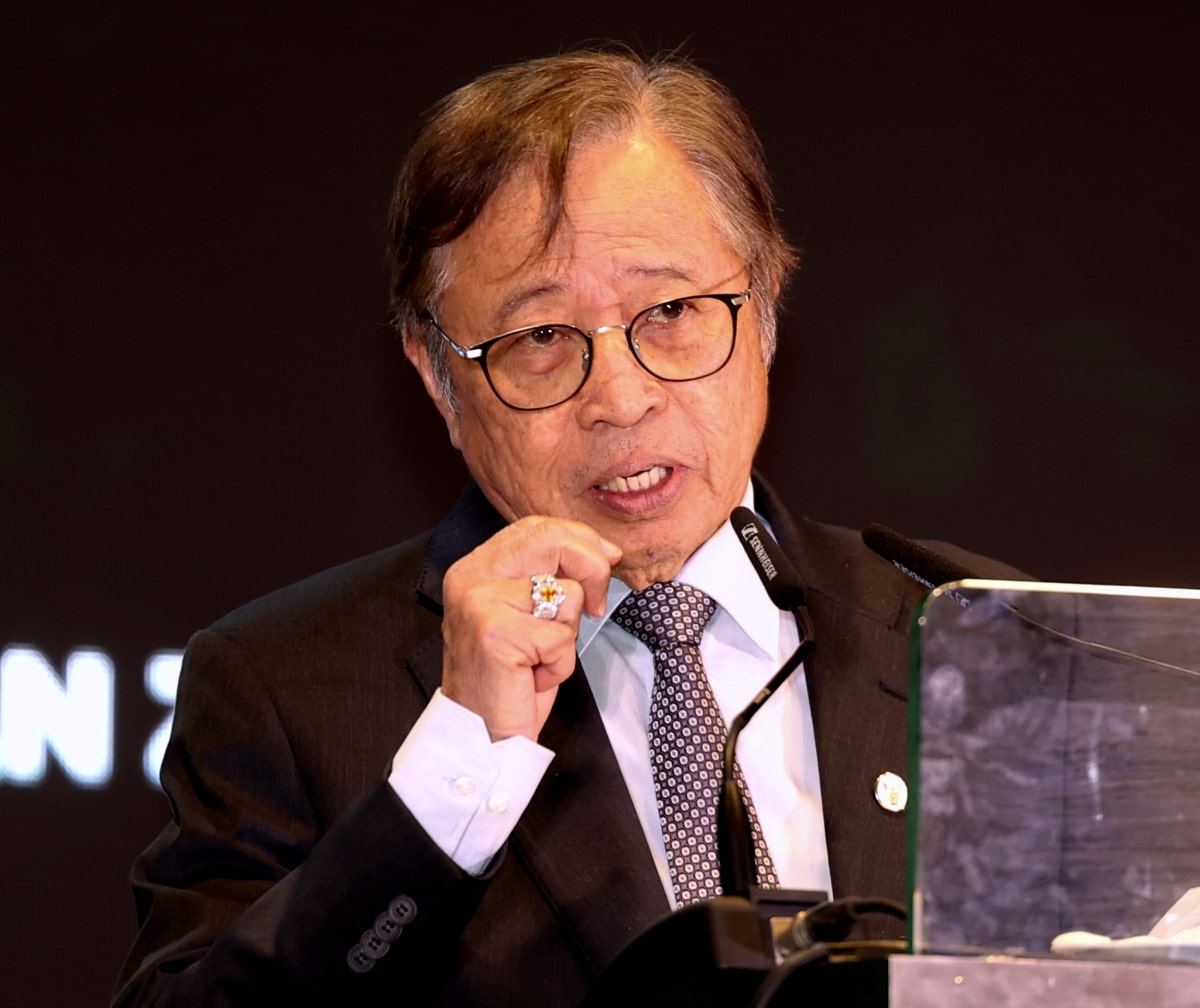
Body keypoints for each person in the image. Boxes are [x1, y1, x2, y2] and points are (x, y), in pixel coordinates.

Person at [112, 45, 1023, 1007]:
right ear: (437, 375)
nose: (621, 398)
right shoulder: (285, 688)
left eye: (671, 309)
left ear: (763, 309)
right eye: (542, 337)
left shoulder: (976, 631)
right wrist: (457, 768)